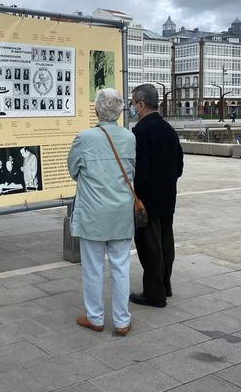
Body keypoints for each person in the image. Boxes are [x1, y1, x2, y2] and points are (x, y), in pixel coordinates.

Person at [68, 88, 135, 337]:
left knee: (93, 267)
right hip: (121, 211)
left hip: (93, 212)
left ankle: (95, 317)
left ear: (96, 109)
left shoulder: (84, 138)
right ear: (119, 111)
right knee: (121, 266)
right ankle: (122, 321)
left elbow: (73, 170)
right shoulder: (130, 138)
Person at [129, 84, 183, 307]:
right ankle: (165, 285)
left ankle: (154, 293)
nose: (132, 107)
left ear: (141, 104)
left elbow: (140, 170)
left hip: (148, 199)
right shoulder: (169, 129)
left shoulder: (140, 131)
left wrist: (137, 195)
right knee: (165, 242)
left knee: (149, 246)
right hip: (168, 195)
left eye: (133, 103)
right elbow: (179, 165)